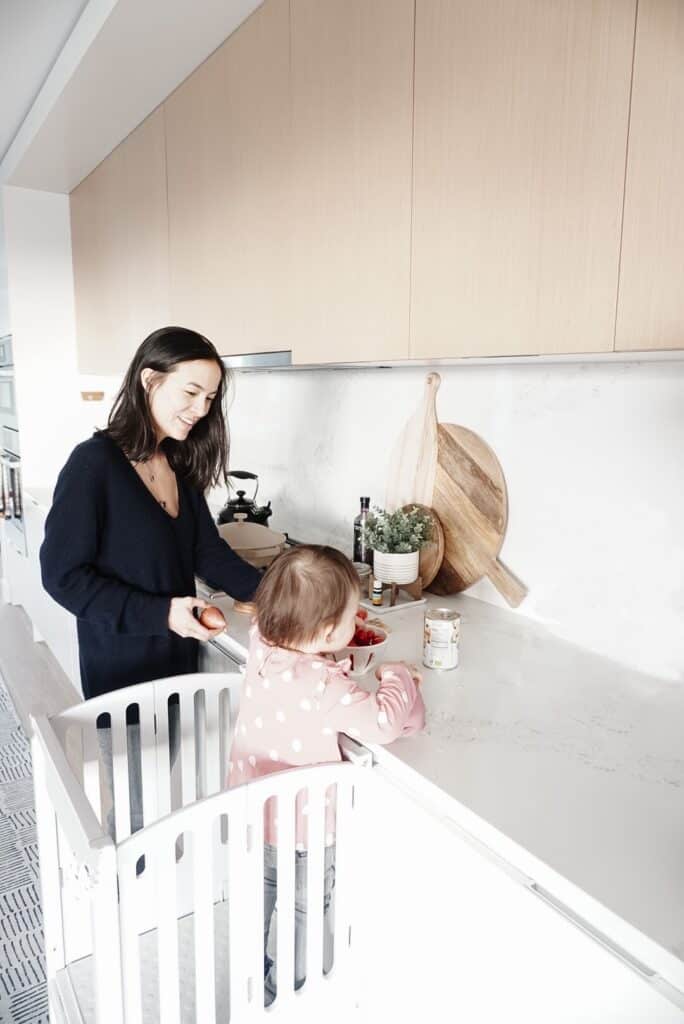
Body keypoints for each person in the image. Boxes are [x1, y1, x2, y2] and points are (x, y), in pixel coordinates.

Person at [40, 326, 261, 833]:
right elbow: (63, 576)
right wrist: (161, 613)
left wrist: (286, 596)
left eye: (210, 397)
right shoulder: (93, 464)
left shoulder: (176, 465)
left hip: (175, 663)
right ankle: (129, 895)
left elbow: (210, 554)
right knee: (138, 800)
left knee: (164, 787)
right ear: (149, 381)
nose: (201, 409)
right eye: (190, 392)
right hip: (121, 669)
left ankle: (153, 874)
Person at [228, 545, 425, 1005]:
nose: (358, 621)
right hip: (305, 831)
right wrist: (400, 677)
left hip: (253, 816)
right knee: (305, 910)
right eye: (352, 616)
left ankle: (252, 979)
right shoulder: (325, 686)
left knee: (257, 896)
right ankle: (295, 994)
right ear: (324, 632)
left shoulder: (260, 644)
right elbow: (383, 724)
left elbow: (292, 648)